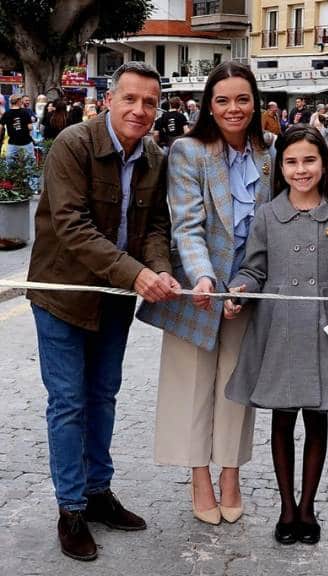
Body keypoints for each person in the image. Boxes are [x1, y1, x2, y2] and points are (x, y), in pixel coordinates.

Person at [26, 61, 178, 562]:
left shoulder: (154, 156)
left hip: (114, 298)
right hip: (62, 295)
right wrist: (137, 274)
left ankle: (98, 493)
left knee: (103, 396)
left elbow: (156, 226)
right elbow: (71, 225)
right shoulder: (73, 143)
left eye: (150, 102)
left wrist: (158, 269)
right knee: (68, 401)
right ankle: (71, 509)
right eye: (130, 99)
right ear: (108, 100)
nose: (140, 110)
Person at [223, 125, 328, 545]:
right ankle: (286, 508)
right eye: (291, 161)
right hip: (277, 329)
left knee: (317, 418)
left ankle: (307, 508)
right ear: (281, 168)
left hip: (325, 331)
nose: (300, 169)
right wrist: (240, 291)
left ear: (325, 164)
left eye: (309, 160)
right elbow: (254, 269)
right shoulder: (267, 215)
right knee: (281, 419)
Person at [137, 61, 275, 527]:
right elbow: (187, 227)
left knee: (237, 386)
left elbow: (267, 230)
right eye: (223, 100)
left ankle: (231, 475)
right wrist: (204, 279)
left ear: (254, 102)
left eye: (242, 98)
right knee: (191, 385)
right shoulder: (187, 151)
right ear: (208, 106)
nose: (233, 108)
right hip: (197, 288)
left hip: (246, 290)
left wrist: (248, 282)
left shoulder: (268, 153)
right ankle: (199, 477)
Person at [0, 94, 34, 160]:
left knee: (10, 162)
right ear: (18, 101)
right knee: (30, 163)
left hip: (13, 142)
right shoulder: (25, 112)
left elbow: (0, 127)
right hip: (26, 141)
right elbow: (30, 127)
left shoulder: (7, 113)